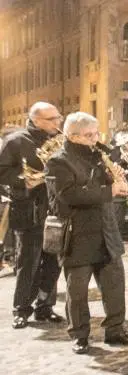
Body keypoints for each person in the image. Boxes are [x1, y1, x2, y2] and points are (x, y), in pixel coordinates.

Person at [45, 112, 128, 354]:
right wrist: (108, 190)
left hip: (106, 232)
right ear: (72, 136)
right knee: (77, 291)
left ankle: (116, 329)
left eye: (96, 133)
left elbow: (102, 187)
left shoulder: (99, 156)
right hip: (78, 236)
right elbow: (69, 195)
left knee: (114, 286)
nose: (95, 139)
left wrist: (114, 176)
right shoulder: (59, 161)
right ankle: (79, 335)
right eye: (89, 135)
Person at [0, 102, 64, 329]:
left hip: (55, 208)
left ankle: (45, 307)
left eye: (58, 117)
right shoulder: (16, 141)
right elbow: (2, 171)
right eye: (52, 118)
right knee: (29, 261)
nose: (58, 122)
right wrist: (24, 179)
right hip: (28, 209)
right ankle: (21, 309)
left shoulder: (61, 140)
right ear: (36, 120)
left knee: (54, 261)